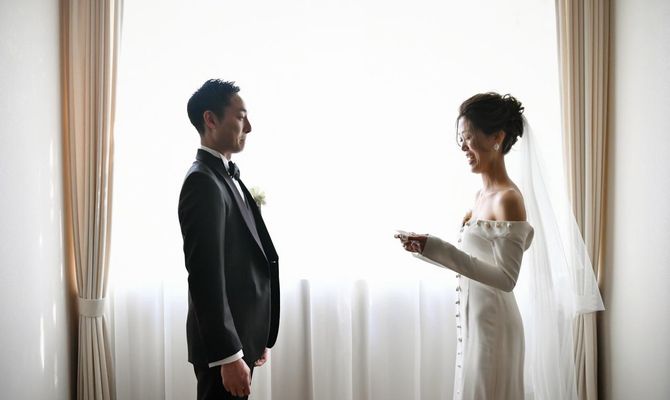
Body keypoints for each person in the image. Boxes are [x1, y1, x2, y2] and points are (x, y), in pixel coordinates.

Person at [396, 92, 533, 399]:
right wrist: (423, 249)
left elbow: (506, 278)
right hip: (475, 322)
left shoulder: (509, 199)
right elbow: (471, 261)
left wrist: (436, 247)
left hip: (495, 324)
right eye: (460, 138)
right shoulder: (479, 197)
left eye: (469, 137)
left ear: (497, 137)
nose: (462, 146)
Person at [178, 79, 280, 399]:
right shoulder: (202, 182)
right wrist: (229, 355)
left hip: (241, 337)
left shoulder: (224, 175)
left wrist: (256, 334)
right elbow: (205, 276)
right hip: (224, 349)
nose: (248, 127)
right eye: (241, 117)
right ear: (211, 119)